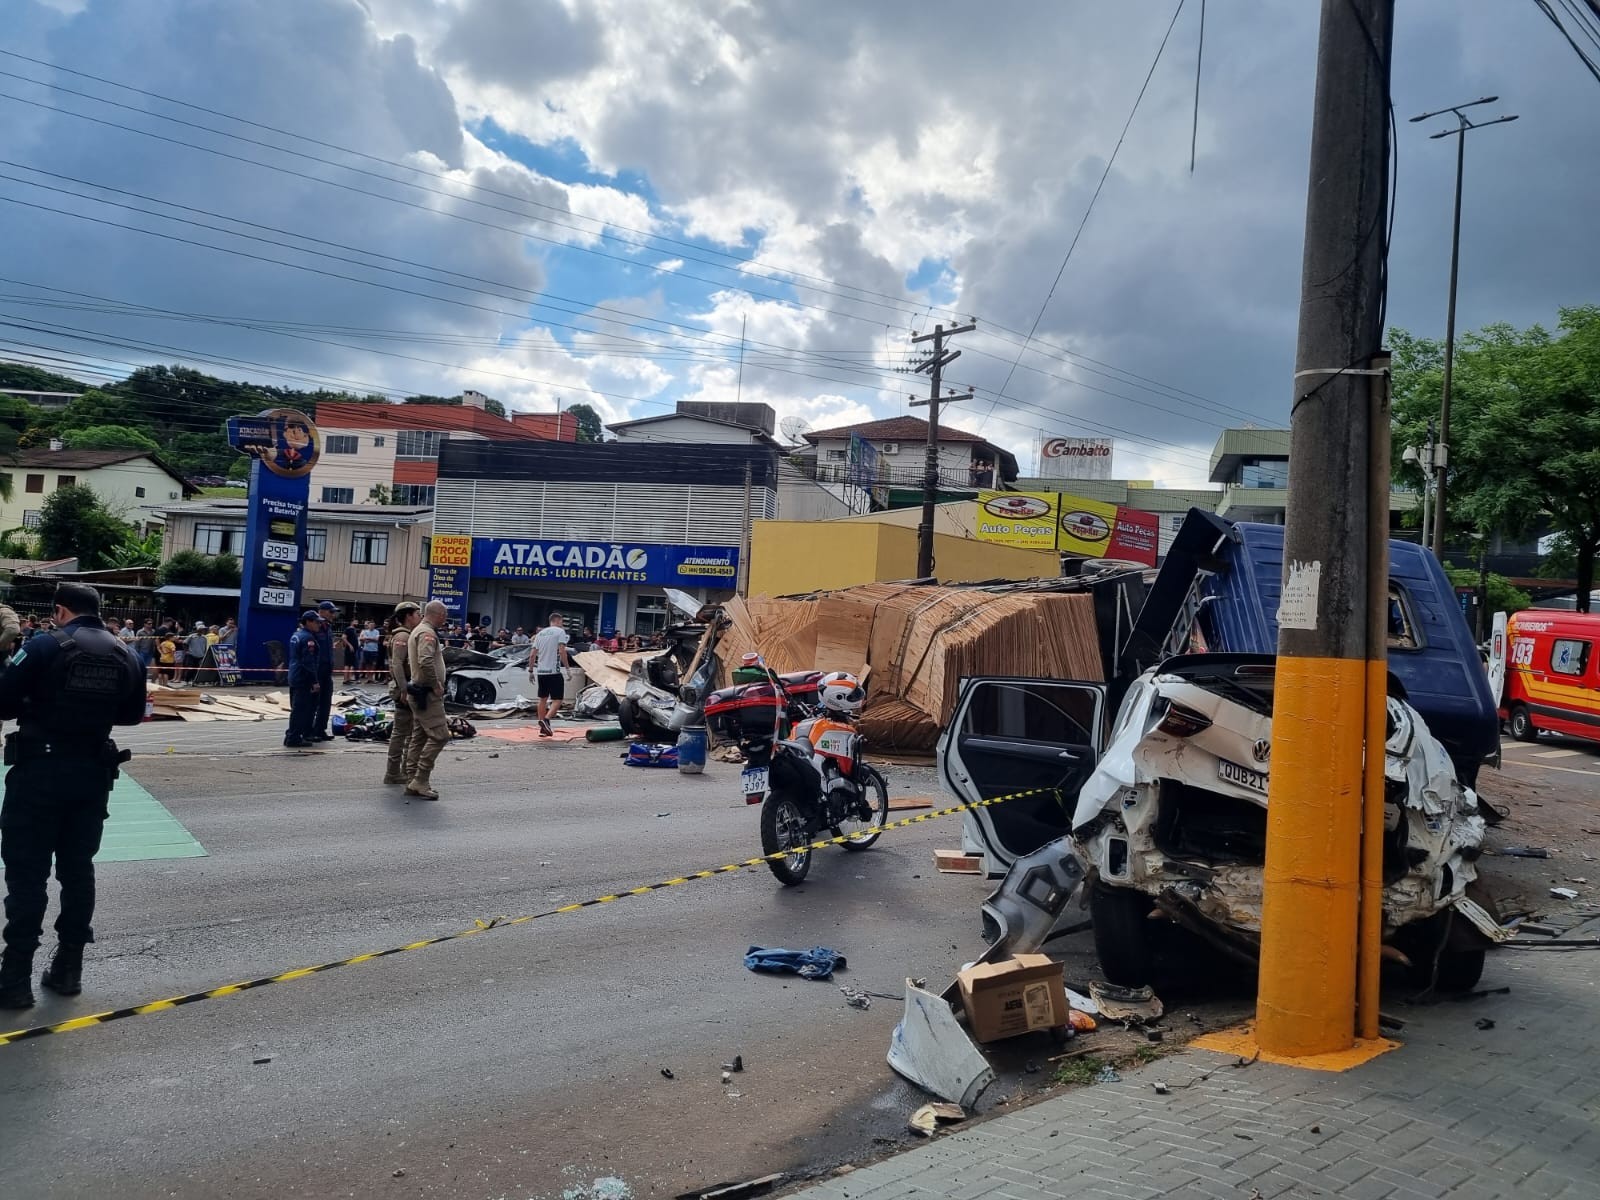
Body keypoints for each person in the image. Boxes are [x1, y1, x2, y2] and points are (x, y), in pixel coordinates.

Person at [0, 582, 147, 1010]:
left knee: (28, 875)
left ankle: (14, 978)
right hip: (92, 776)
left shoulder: (45, 647)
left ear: (60, 611)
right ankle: (68, 968)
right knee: (77, 871)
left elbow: (3, 703)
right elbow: (133, 715)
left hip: (40, 774)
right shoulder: (128, 654)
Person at [402, 601, 449, 799]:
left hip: (420, 691)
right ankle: (420, 779)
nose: (445, 620)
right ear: (437, 614)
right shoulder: (427, 633)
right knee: (440, 735)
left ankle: (412, 778)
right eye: (444, 616)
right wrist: (436, 684)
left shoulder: (419, 630)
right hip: (427, 693)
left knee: (419, 736)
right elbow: (426, 660)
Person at [384, 602, 422, 786]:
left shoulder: (404, 635)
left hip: (405, 687)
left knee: (406, 732)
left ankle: (403, 771)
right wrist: (404, 689)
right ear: (408, 616)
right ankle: (394, 772)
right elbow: (397, 664)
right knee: (402, 733)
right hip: (404, 689)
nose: (419, 617)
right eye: (417, 614)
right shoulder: (402, 636)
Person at [285, 610, 323, 749]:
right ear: (308, 621)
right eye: (316, 622)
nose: (319, 624)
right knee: (300, 709)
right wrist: (314, 681)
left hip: (294, 675)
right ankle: (294, 737)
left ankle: (291, 734)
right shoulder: (308, 639)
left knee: (296, 708)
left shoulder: (296, 635)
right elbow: (308, 662)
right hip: (303, 677)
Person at [529, 612, 571, 738]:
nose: (562, 624)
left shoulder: (540, 634)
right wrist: (568, 668)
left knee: (542, 699)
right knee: (558, 699)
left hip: (541, 672)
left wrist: (531, 671)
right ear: (558, 621)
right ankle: (546, 720)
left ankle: (542, 729)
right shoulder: (560, 632)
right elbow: (562, 651)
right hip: (554, 671)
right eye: (562, 622)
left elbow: (532, 655)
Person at [313, 600, 338, 741]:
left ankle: (320, 729)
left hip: (327, 668)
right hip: (317, 668)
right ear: (321, 611)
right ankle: (310, 730)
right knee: (313, 702)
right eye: (331, 612)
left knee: (326, 701)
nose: (333, 615)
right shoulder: (316, 627)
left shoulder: (327, 627)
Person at [342, 614, 361, 684]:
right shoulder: (349, 629)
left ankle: (348, 679)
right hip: (349, 650)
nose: (357, 623)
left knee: (350, 664)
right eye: (355, 622)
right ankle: (345, 679)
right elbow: (343, 637)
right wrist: (350, 645)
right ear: (351, 622)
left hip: (354, 650)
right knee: (347, 664)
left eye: (357, 622)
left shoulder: (354, 630)